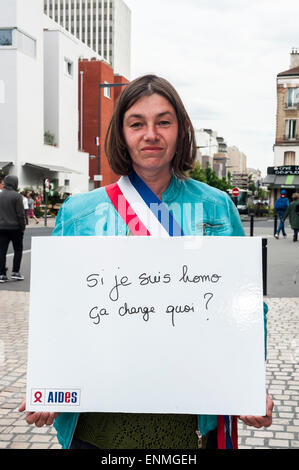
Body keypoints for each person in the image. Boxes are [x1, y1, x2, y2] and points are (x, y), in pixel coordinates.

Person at [19, 75, 273, 449]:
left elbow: (246, 308)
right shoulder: (79, 212)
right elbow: (59, 310)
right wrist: (48, 384)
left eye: (163, 122)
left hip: (188, 426)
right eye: (137, 123)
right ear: (121, 134)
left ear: (181, 130)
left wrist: (247, 383)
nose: (150, 134)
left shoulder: (216, 207)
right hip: (96, 427)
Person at [0, 175, 26, 282]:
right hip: (15, 228)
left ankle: (1, 274)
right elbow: (20, 214)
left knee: (1, 251)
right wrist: (22, 227)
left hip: (1, 228)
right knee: (18, 250)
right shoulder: (17, 196)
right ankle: (15, 272)